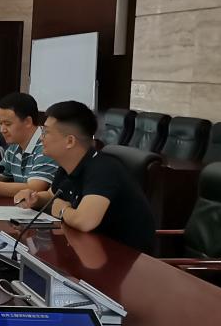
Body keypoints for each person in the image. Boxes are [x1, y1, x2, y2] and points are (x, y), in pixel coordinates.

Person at [14, 100, 156, 253]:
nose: (41, 138)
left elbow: (85, 221)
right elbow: (52, 196)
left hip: (122, 256)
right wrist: (34, 198)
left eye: (46, 132)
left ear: (70, 141)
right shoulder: (67, 165)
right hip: (88, 249)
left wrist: (62, 211)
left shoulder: (103, 169)